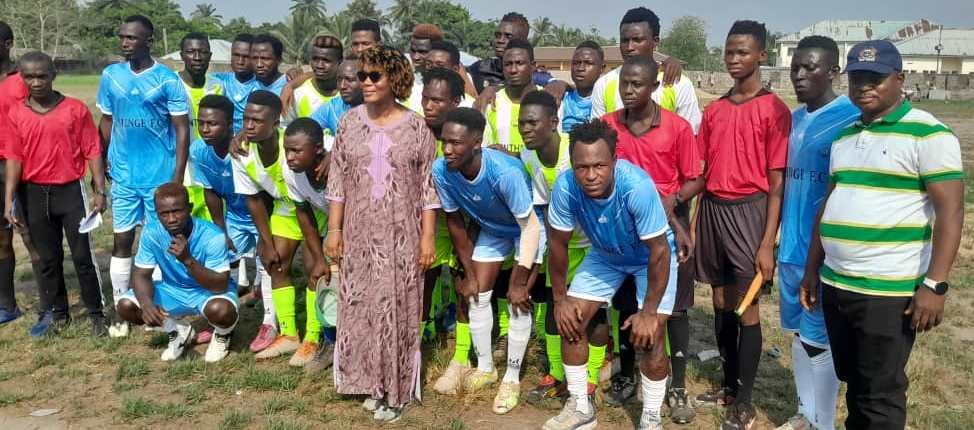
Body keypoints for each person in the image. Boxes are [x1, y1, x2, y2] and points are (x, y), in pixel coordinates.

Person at [802, 40, 964, 430]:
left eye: (875, 79)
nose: (864, 87)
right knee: (855, 382)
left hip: (888, 292)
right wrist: (812, 270)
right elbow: (829, 204)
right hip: (838, 284)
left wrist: (935, 284)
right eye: (857, 78)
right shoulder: (845, 136)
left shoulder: (929, 134)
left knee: (881, 394)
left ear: (899, 79)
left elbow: (951, 212)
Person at [323, 46, 439, 422]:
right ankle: (371, 382)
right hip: (358, 234)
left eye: (375, 76)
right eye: (362, 77)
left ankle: (397, 389)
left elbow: (427, 189)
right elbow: (338, 180)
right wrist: (335, 230)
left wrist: (426, 239)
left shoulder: (416, 126)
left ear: (396, 80)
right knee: (362, 309)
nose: (366, 83)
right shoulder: (349, 123)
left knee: (396, 309)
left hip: (401, 236)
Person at [543, 119, 677, 430]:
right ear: (573, 165)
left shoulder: (636, 186)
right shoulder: (565, 187)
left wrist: (649, 311)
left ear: (615, 161)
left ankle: (651, 417)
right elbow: (558, 244)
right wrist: (560, 299)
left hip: (650, 258)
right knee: (570, 318)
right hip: (606, 255)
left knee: (651, 335)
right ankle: (580, 407)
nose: (590, 175)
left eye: (599, 165)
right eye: (582, 167)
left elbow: (659, 250)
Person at [694, 21, 790, 430]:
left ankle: (746, 402)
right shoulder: (714, 110)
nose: (734, 59)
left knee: (746, 306)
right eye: (729, 52)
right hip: (713, 209)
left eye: (743, 52)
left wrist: (767, 242)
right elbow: (703, 170)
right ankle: (728, 384)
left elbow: (776, 183)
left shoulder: (774, 110)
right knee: (719, 301)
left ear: (761, 56)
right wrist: (696, 221)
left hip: (750, 211)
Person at [601, 55, 704, 423]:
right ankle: (627, 375)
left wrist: (672, 199)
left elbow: (695, 179)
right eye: (624, 84)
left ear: (653, 86)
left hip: (667, 230)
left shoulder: (676, 128)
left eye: (637, 84)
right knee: (628, 305)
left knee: (672, 310)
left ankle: (675, 387)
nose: (629, 91)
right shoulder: (607, 126)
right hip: (622, 234)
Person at [432, 107, 544, 415]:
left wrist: (520, 280)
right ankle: (485, 368)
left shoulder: (503, 172)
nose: (448, 149)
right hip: (494, 229)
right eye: (445, 142)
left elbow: (530, 226)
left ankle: (511, 378)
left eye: (456, 143)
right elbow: (455, 222)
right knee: (476, 293)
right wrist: (468, 273)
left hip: (528, 228)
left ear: (477, 142)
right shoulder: (441, 170)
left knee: (517, 299)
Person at [774, 36, 859, 430]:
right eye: (796, 68)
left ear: (834, 72)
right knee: (796, 334)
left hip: (820, 253)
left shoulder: (851, 119)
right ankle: (805, 413)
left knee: (817, 339)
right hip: (789, 248)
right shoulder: (792, 119)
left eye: (811, 67)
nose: (801, 75)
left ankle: (823, 422)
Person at [97, 14, 191, 338]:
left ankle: (159, 308)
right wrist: (102, 159)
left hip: (158, 178)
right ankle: (121, 308)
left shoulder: (167, 79)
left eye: (131, 38)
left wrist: (176, 179)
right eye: (122, 37)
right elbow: (106, 120)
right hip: (123, 175)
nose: (125, 43)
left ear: (148, 40)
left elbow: (182, 129)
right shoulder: (111, 75)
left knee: (158, 242)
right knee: (122, 240)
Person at [2, 52, 108, 337]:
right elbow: (13, 158)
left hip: (70, 192)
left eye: (42, 75)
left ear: (53, 75)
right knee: (48, 259)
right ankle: (59, 313)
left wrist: (99, 190)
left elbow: (92, 150)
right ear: (21, 78)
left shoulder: (74, 109)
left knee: (83, 256)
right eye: (29, 77)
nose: (36, 82)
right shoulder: (15, 113)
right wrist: (10, 199)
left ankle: (97, 312)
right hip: (33, 194)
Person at [513, 91, 601, 408]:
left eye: (533, 122)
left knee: (594, 315)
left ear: (553, 122)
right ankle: (557, 373)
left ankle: (590, 377)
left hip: (593, 244)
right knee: (554, 308)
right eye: (521, 123)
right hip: (559, 243)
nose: (525, 129)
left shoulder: (573, 152)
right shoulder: (528, 157)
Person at [230, 90, 324, 365]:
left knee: (313, 267)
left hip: (315, 209)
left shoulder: (294, 142)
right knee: (275, 261)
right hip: (285, 208)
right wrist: (266, 240)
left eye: (258, 120)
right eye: (246, 119)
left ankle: (314, 337)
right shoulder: (241, 152)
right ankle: (289, 334)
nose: (249, 126)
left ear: (276, 122)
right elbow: (253, 199)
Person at [116, 183, 238, 363]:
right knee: (126, 305)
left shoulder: (213, 235)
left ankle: (223, 334)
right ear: (157, 213)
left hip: (207, 292)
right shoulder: (151, 232)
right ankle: (176, 331)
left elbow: (220, 284)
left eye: (177, 211)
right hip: (172, 289)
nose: (171, 219)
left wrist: (188, 260)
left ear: (189, 208)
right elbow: (141, 274)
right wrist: (147, 304)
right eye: (164, 214)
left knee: (221, 311)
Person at [188, 94, 262, 344]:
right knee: (221, 260)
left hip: (261, 212)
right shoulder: (198, 150)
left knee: (269, 264)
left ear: (231, 124)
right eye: (201, 123)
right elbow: (210, 190)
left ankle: (270, 321)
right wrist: (221, 229)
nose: (205, 129)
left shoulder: (245, 147)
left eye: (213, 124)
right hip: (234, 215)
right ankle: (223, 322)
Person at [281, 118, 336, 374]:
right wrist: (319, 258)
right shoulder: (290, 171)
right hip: (332, 227)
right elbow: (305, 215)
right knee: (318, 273)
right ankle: (326, 341)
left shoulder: (339, 159)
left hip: (367, 225)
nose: (290, 157)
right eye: (287, 150)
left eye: (296, 151)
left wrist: (336, 156)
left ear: (317, 148)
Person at [417, 67, 466, 346]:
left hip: (461, 223)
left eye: (437, 100)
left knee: (464, 284)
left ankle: (463, 350)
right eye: (425, 98)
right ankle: (419, 335)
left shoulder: (465, 137)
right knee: (424, 280)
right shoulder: (415, 132)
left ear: (455, 102)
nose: (428, 106)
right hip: (428, 226)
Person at [0, 20, 42, 327]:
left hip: (20, 166)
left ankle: (51, 306)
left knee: (31, 237)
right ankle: (7, 305)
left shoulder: (24, 79)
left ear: (8, 43)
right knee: (1, 239)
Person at [177, 32, 221, 222]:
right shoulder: (171, 84)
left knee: (213, 231)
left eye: (202, 52)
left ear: (210, 56)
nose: (197, 57)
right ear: (181, 55)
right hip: (179, 171)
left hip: (210, 174)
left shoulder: (218, 86)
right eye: (191, 52)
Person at [482, 38, 540, 155]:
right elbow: (485, 149)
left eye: (519, 63)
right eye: (508, 64)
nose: (513, 70)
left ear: (533, 66)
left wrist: (514, 156)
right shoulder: (490, 102)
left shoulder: (549, 100)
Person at [283, 35, 342, 124]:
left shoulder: (349, 94)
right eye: (315, 59)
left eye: (326, 60)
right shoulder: (298, 93)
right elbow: (285, 127)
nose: (319, 65)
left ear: (340, 62)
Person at [468, 13, 530, 93]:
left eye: (508, 36)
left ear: (523, 40)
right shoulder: (479, 68)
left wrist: (496, 89)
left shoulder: (531, 74)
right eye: (498, 35)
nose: (500, 40)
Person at [211, 34, 256, 134]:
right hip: (223, 142)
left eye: (246, 57)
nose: (240, 61)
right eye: (236, 55)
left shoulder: (262, 85)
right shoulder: (219, 79)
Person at [309, 60, 364, 138]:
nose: (342, 86)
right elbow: (304, 131)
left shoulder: (380, 110)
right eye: (339, 79)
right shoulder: (332, 108)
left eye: (350, 80)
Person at [558, 42, 604, 133]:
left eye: (588, 63)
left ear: (601, 68)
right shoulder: (561, 98)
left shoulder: (606, 100)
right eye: (576, 63)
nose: (580, 68)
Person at [403, 24, 445, 113]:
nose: (415, 57)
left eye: (422, 52)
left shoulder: (453, 82)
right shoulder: (402, 79)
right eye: (413, 51)